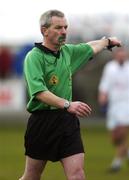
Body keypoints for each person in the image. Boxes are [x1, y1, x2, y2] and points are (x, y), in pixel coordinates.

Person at [19, 10, 121, 180]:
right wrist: (68, 104)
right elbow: (39, 93)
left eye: (65, 27)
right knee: (32, 175)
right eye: (58, 27)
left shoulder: (67, 52)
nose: (64, 31)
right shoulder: (34, 57)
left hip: (67, 122)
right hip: (42, 121)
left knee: (77, 175)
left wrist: (107, 41)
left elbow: (91, 47)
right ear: (44, 31)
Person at [98, 47, 129, 172]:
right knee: (115, 138)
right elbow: (105, 83)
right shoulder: (109, 67)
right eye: (119, 54)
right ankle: (126, 153)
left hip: (126, 105)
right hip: (113, 105)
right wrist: (102, 95)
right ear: (115, 55)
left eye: (124, 55)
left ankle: (116, 164)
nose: (121, 57)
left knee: (121, 132)